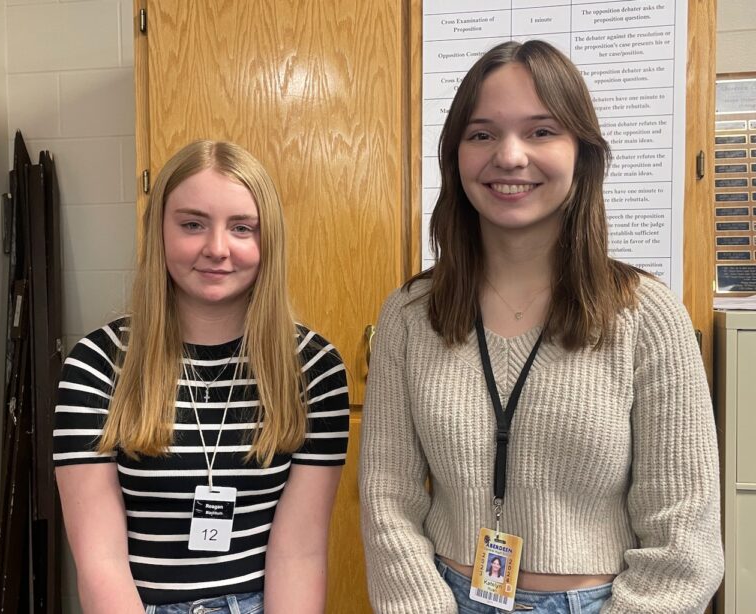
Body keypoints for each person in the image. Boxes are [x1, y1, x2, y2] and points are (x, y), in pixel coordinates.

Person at [359, 40, 723, 614]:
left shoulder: (646, 315)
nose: (509, 156)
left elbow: (684, 532)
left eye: (541, 131)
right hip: (445, 598)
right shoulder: (410, 314)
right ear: (455, 156)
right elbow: (388, 500)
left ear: (583, 152)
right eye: (482, 134)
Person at [54, 140, 349, 614]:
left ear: (268, 239)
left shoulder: (312, 368)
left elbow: (300, 554)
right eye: (192, 224)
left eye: (242, 228)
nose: (217, 249)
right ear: (159, 231)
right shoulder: (97, 365)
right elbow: (99, 562)